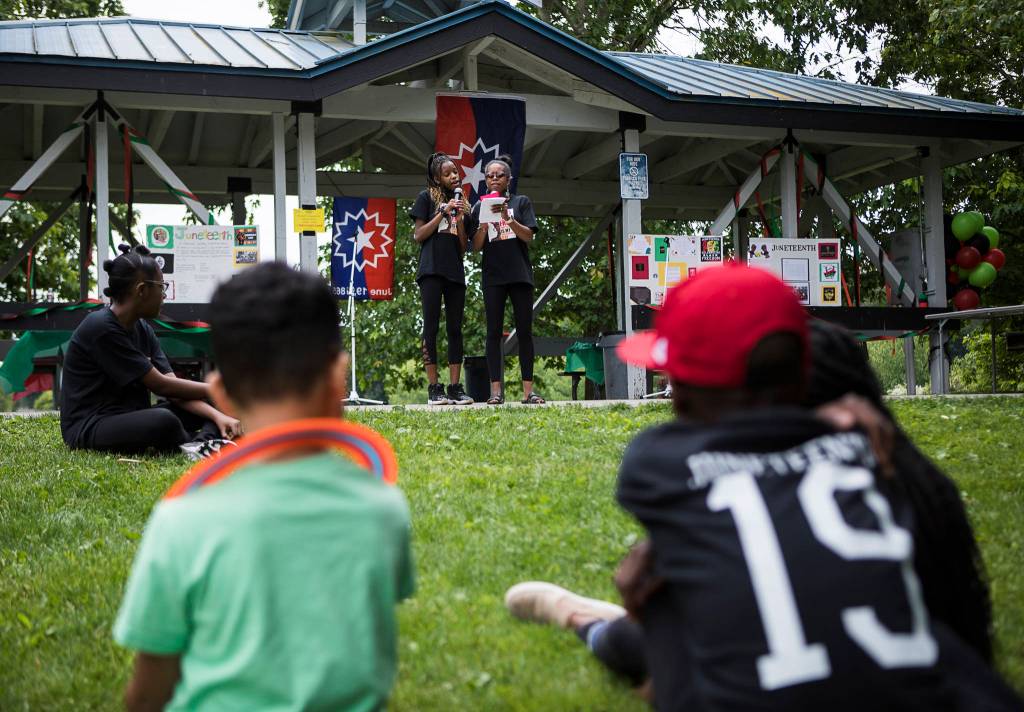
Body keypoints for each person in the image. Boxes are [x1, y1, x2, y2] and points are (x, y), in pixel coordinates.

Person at [505, 265, 1021, 711]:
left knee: (655, 587)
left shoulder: (655, 459)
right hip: (926, 683)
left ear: (679, 390)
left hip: (734, 679)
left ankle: (588, 623)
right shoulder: (872, 452)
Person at [113, 262, 415, 712]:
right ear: (338, 380)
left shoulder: (181, 522)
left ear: (221, 392)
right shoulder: (383, 508)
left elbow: (151, 685)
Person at [59, 244, 238, 457]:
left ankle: (203, 442)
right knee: (164, 420)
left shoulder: (142, 328)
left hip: (131, 416)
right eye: (161, 287)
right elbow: (161, 385)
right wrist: (220, 387)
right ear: (142, 290)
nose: (164, 295)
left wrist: (218, 411)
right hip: (91, 425)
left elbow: (175, 390)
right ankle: (198, 444)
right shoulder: (102, 328)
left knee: (214, 402)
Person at [466, 155, 543, 405]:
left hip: (520, 275)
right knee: (493, 332)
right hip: (493, 276)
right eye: (490, 175)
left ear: (509, 179)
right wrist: (482, 226)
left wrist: (509, 219)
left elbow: (529, 236)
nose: (495, 178)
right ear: (485, 181)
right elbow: (476, 247)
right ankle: (496, 392)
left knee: (525, 332)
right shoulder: (478, 207)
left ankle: (528, 391)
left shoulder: (521, 202)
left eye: (500, 175)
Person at [410, 152, 473, 405]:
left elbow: (463, 246)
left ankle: (455, 387)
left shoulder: (463, 205)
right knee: (432, 327)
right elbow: (419, 235)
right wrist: (442, 213)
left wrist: (456, 218)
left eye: (455, 172)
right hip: (431, 271)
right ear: (437, 178)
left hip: (454, 271)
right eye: (447, 173)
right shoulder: (426, 198)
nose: (453, 176)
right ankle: (434, 387)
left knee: (455, 329)